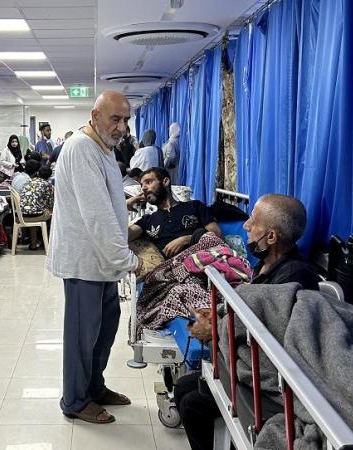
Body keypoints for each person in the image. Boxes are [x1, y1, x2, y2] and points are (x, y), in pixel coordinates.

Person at [174, 194, 319, 450]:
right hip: (250, 361)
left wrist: (215, 330)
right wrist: (218, 315)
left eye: (253, 221)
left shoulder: (294, 278)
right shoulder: (265, 265)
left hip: (277, 383)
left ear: (271, 237)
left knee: (192, 405)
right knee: (184, 386)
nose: (246, 226)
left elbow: (272, 342)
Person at [47, 90, 142, 425]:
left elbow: (109, 204)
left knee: (104, 330)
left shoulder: (103, 148)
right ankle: (74, 400)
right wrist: (130, 261)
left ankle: (94, 387)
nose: (122, 127)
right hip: (84, 261)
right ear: (95, 115)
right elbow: (97, 216)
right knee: (82, 337)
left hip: (103, 260)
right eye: (115, 119)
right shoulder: (81, 148)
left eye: (126, 120)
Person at [127, 167, 221, 257]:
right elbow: (122, 238)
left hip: (206, 257)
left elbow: (216, 235)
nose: (143, 188)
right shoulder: (147, 220)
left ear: (165, 182)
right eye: (142, 185)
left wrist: (187, 239)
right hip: (175, 265)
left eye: (148, 182)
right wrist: (125, 205)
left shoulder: (195, 206)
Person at [20, 166, 54, 250]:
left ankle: (33, 244)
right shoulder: (47, 185)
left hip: (20, 215)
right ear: (49, 177)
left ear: (38, 173)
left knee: (33, 211)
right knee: (52, 213)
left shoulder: (28, 181)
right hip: (36, 216)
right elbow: (50, 204)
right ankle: (48, 242)